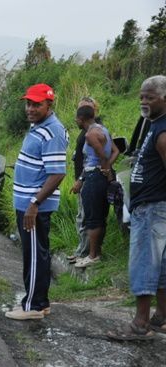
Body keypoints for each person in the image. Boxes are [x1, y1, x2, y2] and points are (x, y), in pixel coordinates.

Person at [107, 75, 166, 341]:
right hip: (151, 206)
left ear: (164, 98)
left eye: (150, 97)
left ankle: (140, 323)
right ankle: (161, 317)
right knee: (161, 267)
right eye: (142, 96)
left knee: (143, 263)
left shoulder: (163, 133)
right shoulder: (152, 125)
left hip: (153, 208)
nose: (144, 101)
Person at [4, 83, 68, 321]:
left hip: (34, 207)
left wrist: (34, 203)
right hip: (28, 203)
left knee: (34, 256)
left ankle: (33, 306)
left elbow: (57, 173)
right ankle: (40, 302)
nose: (30, 108)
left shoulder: (53, 131)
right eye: (28, 103)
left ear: (49, 104)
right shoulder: (38, 126)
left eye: (36, 104)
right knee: (35, 253)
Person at [73, 105, 118, 268]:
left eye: (77, 119)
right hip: (100, 176)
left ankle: (92, 256)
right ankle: (97, 253)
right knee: (100, 215)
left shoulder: (90, 134)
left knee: (92, 218)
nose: (76, 121)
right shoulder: (103, 129)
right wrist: (106, 170)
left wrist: (105, 170)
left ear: (81, 119)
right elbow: (116, 151)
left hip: (93, 177)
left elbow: (104, 156)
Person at [67, 97, 100, 264]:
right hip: (82, 176)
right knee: (82, 215)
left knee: (86, 216)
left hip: (87, 178)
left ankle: (85, 252)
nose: (79, 114)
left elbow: (94, 159)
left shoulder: (95, 130)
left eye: (84, 109)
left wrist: (81, 179)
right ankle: (81, 250)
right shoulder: (86, 129)